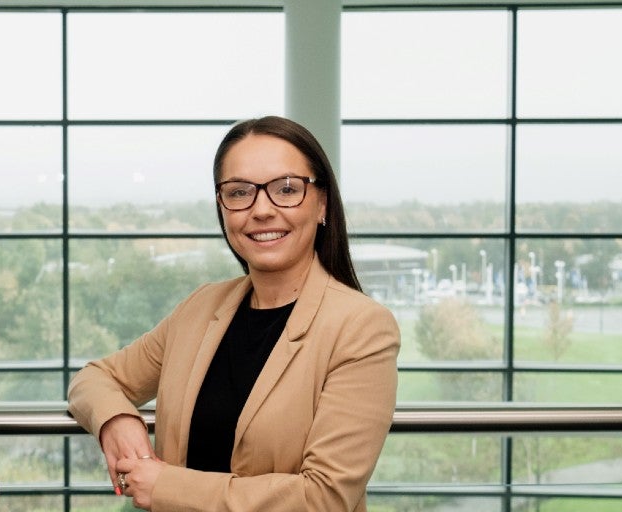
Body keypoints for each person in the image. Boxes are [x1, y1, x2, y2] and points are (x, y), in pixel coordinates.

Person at [67, 116, 399, 511]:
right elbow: (95, 378)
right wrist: (116, 420)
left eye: (286, 189)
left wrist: (166, 486)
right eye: (240, 192)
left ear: (322, 203)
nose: (261, 210)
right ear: (222, 207)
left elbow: (323, 498)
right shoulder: (201, 307)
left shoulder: (362, 328)